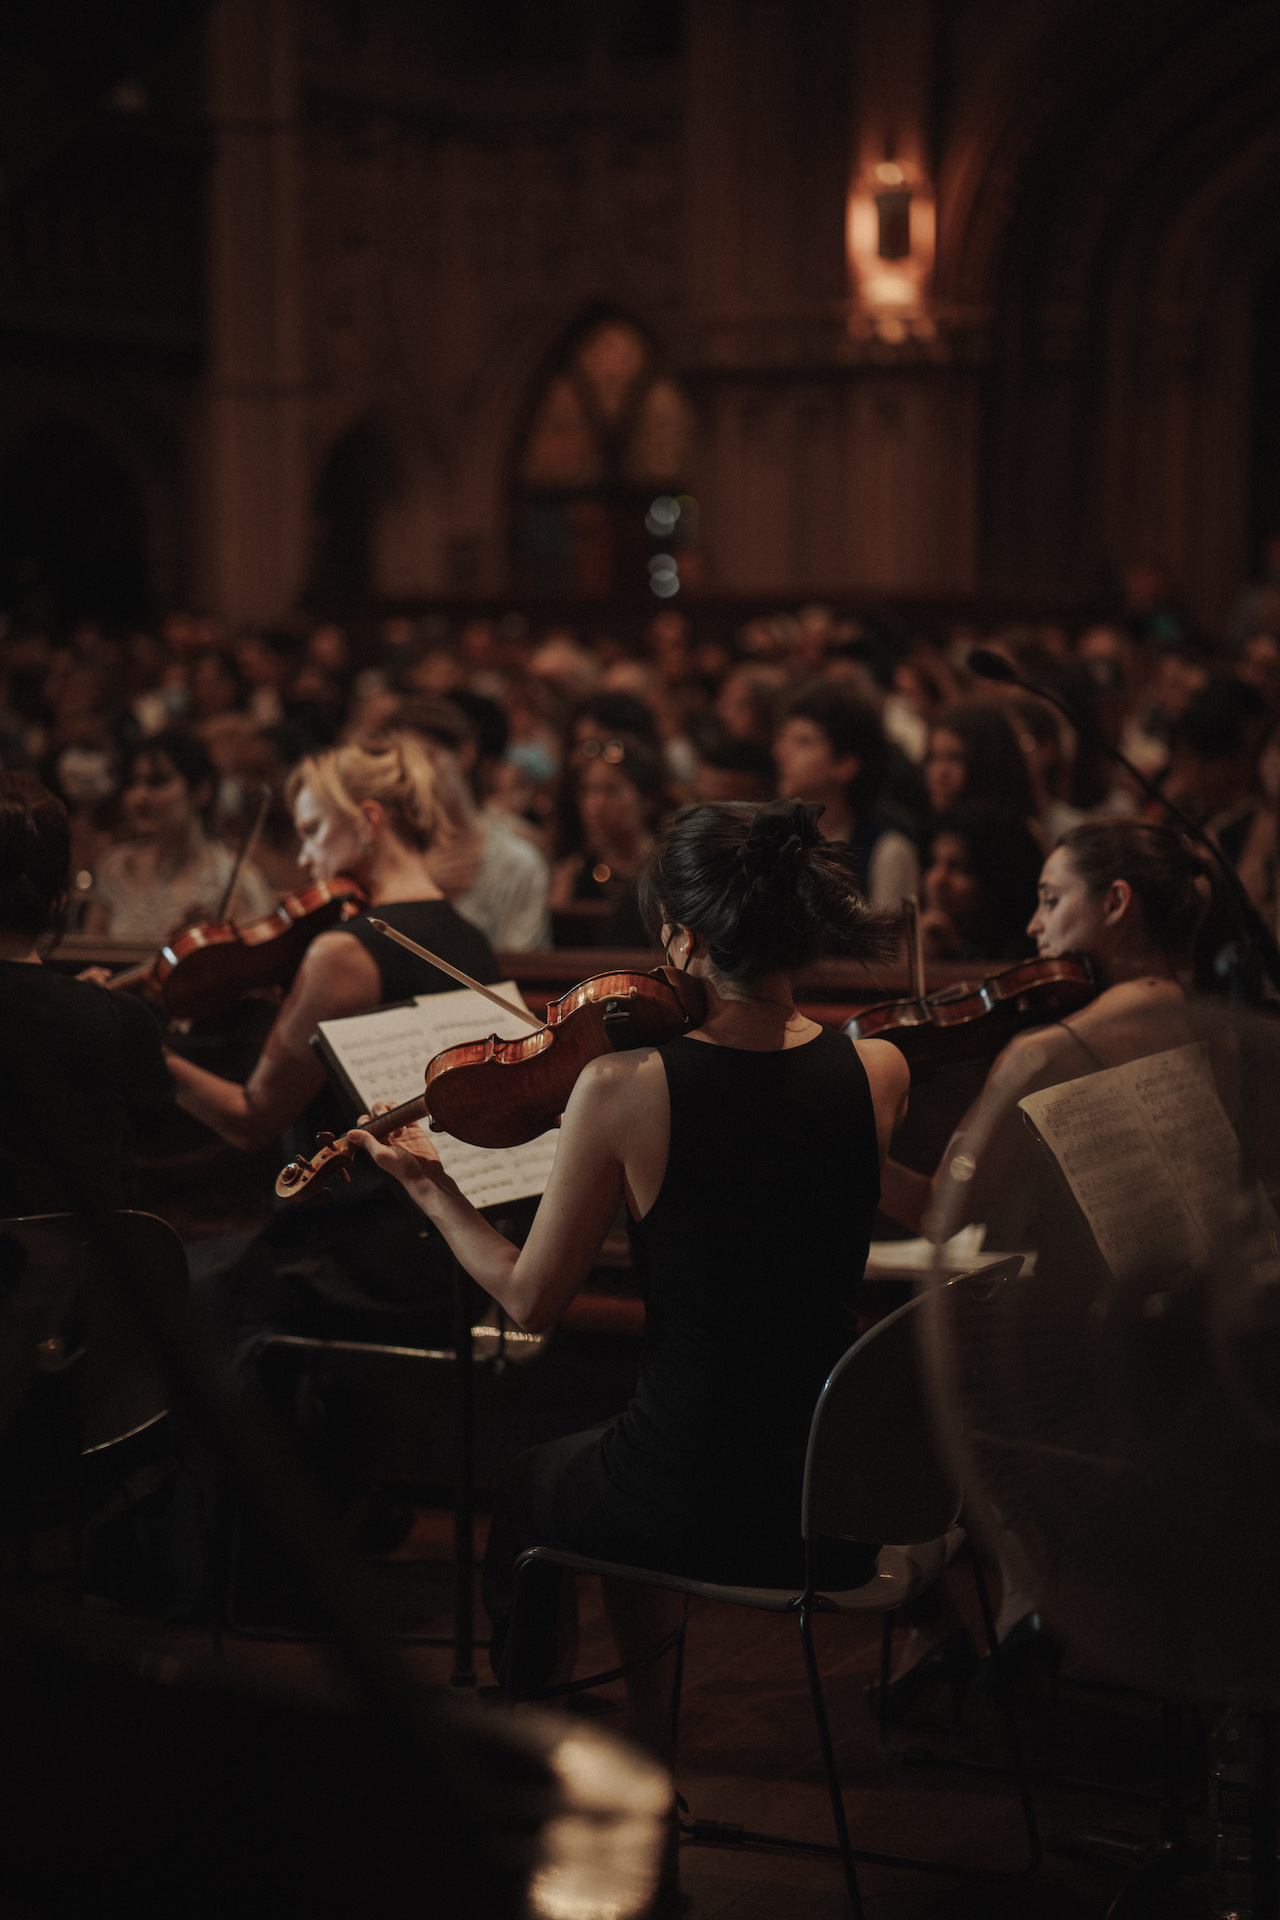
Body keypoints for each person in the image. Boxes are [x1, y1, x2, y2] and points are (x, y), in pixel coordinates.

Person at [351, 798, 909, 1759]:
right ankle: (651, 1746)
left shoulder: (625, 1088)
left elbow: (529, 1303)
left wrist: (432, 1188)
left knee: (541, 1484)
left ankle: (544, 1748)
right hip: (837, 1499)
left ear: (682, 939)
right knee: (616, 1470)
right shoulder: (881, 1070)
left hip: (688, 1485)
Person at [876, 819, 1209, 1702]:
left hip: (1087, 1392)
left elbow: (941, 1216)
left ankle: (952, 1621)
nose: (1032, 927)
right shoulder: (1229, 1031)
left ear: (1116, 903)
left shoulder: (1047, 1050)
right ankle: (1022, 1608)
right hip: (1214, 1367)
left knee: (908, 1377)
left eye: (1050, 899)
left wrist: (854, 1151)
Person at [166, 734, 501, 1347]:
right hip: (457, 1247)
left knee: (172, 1294)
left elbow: (250, 1119)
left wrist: (142, 1048)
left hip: (359, 1255)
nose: (305, 858)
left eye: (314, 830)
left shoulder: (343, 952)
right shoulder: (467, 938)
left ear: (368, 822)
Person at [0, 772, 174, 1215]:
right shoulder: (121, 1021)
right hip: (80, 1275)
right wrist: (89, 1008)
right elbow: (153, 1126)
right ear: (59, 902)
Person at [83, 729, 275, 946]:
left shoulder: (233, 878)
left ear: (202, 790)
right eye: (133, 783)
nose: (139, 796)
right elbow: (91, 955)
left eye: (157, 781)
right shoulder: (116, 867)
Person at [773, 681, 919, 909]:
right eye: (784, 739)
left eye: (803, 742)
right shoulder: (775, 839)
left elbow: (889, 942)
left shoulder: (886, 851)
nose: (780, 753)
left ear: (846, 765)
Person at [918, 802, 1043, 962]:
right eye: (932, 862)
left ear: (996, 879)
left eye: (959, 868)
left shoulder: (1025, 957)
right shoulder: (925, 937)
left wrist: (960, 953)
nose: (938, 880)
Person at [923, 700, 1037, 829]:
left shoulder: (1017, 835)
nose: (940, 773)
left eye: (955, 758)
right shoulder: (931, 831)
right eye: (933, 757)